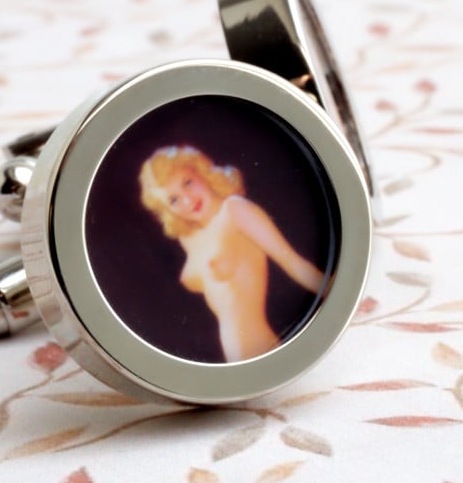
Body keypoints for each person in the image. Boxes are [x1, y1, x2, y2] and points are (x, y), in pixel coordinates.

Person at [139, 145, 325, 363]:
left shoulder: (235, 210)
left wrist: (341, 295)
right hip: (234, 365)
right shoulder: (190, 238)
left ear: (201, 173)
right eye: (174, 199)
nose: (188, 200)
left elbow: (294, 264)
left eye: (187, 183)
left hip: (261, 353)